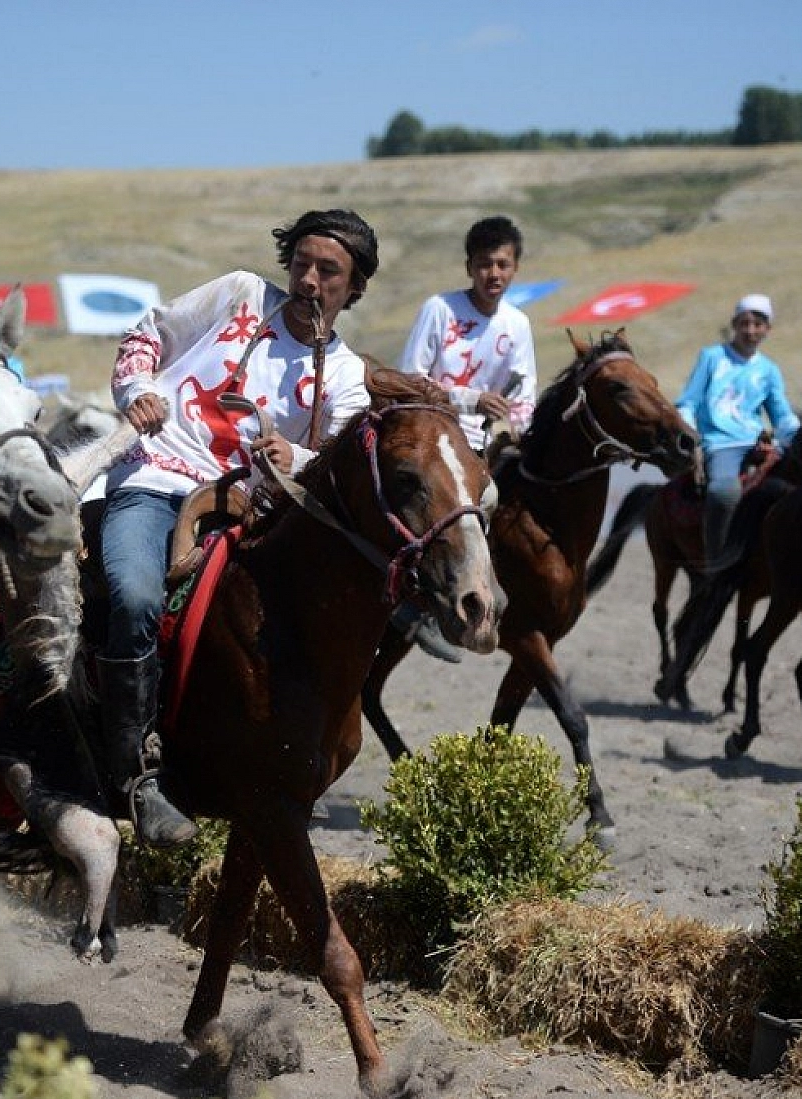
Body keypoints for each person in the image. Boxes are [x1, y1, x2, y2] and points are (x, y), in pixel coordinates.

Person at [102, 209, 379, 845]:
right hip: (155, 477)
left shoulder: (346, 376)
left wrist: (299, 461)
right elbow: (146, 336)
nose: (309, 280)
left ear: (355, 287)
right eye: (301, 263)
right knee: (135, 593)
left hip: (250, 512)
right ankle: (136, 774)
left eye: (328, 271)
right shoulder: (240, 295)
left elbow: (337, 472)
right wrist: (137, 389)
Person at [394, 215, 536, 661]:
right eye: (484, 264)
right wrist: (470, 399)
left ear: (515, 267)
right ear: (468, 266)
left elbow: (525, 395)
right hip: (434, 436)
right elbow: (409, 378)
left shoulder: (518, 325)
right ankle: (412, 611)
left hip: (489, 444)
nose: (493, 274)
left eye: (502, 264)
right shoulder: (440, 310)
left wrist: (509, 428)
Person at [674, 293, 801, 575]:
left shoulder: (769, 370)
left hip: (758, 442)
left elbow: (781, 415)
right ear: (734, 324)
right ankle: (716, 564)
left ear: (768, 329)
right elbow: (688, 401)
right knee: (723, 491)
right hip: (721, 443)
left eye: (758, 324)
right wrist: (690, 435)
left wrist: (794, 436)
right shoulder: (712, 358)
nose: (750, 331)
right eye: (744, 323)